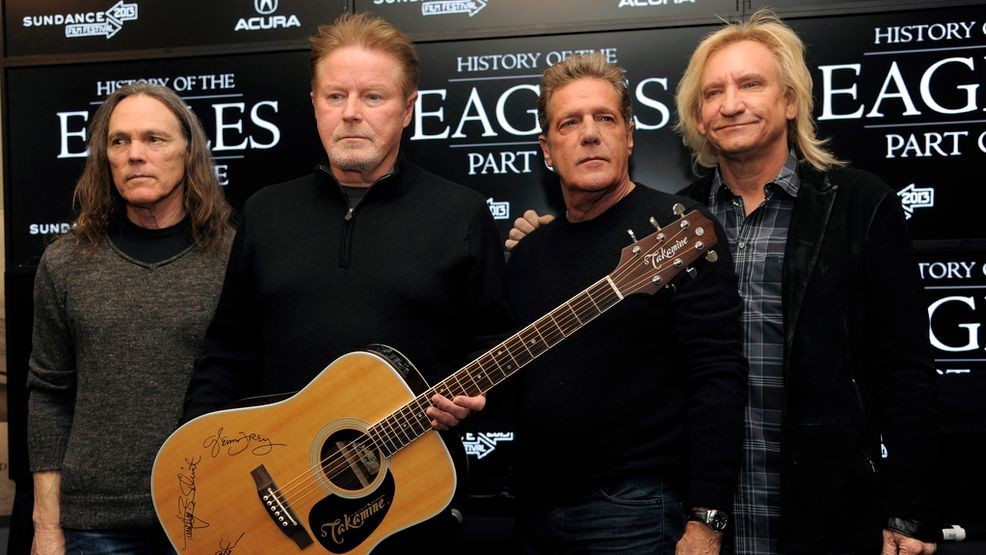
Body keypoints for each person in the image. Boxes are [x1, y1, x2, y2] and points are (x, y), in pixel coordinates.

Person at [181, 11, 507, 548]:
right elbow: (227, 353)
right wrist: (201, 466)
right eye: (336, 96)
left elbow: (492, 342)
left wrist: (472, 400)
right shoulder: (265, 212)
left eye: (373, 97)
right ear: (315, 104)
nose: (351, 113)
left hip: (410, 503)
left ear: (408, 108)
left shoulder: (462, 214)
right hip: (276, 500)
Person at [673, 10, 939, 554]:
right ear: (698, 117)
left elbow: (906, 370)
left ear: (791, 101)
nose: (730, 104)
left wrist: (909, 514)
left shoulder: (860, 204)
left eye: (751, 84)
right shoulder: (677, 221)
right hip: (702, 518)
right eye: (713, 92)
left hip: (829, 510)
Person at [504, 52, 747, 554]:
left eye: (605, 118)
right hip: (532, 505)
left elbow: (717, 376)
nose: (590, 134)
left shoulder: (678, 229)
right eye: (570, 123)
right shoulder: (528, 253)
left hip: (634, 509)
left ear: (629, 136)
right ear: (547, 150)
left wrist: (708, 518)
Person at [26, 83, 234, 554]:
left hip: (214, 512)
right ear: (105, 158)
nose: (135, 154)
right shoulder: (65, 263)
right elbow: (48, 397)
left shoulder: (233, 258)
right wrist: (46, 526)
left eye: (154, 139)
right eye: (119, 141)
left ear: (189, 151)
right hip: (96, 525)